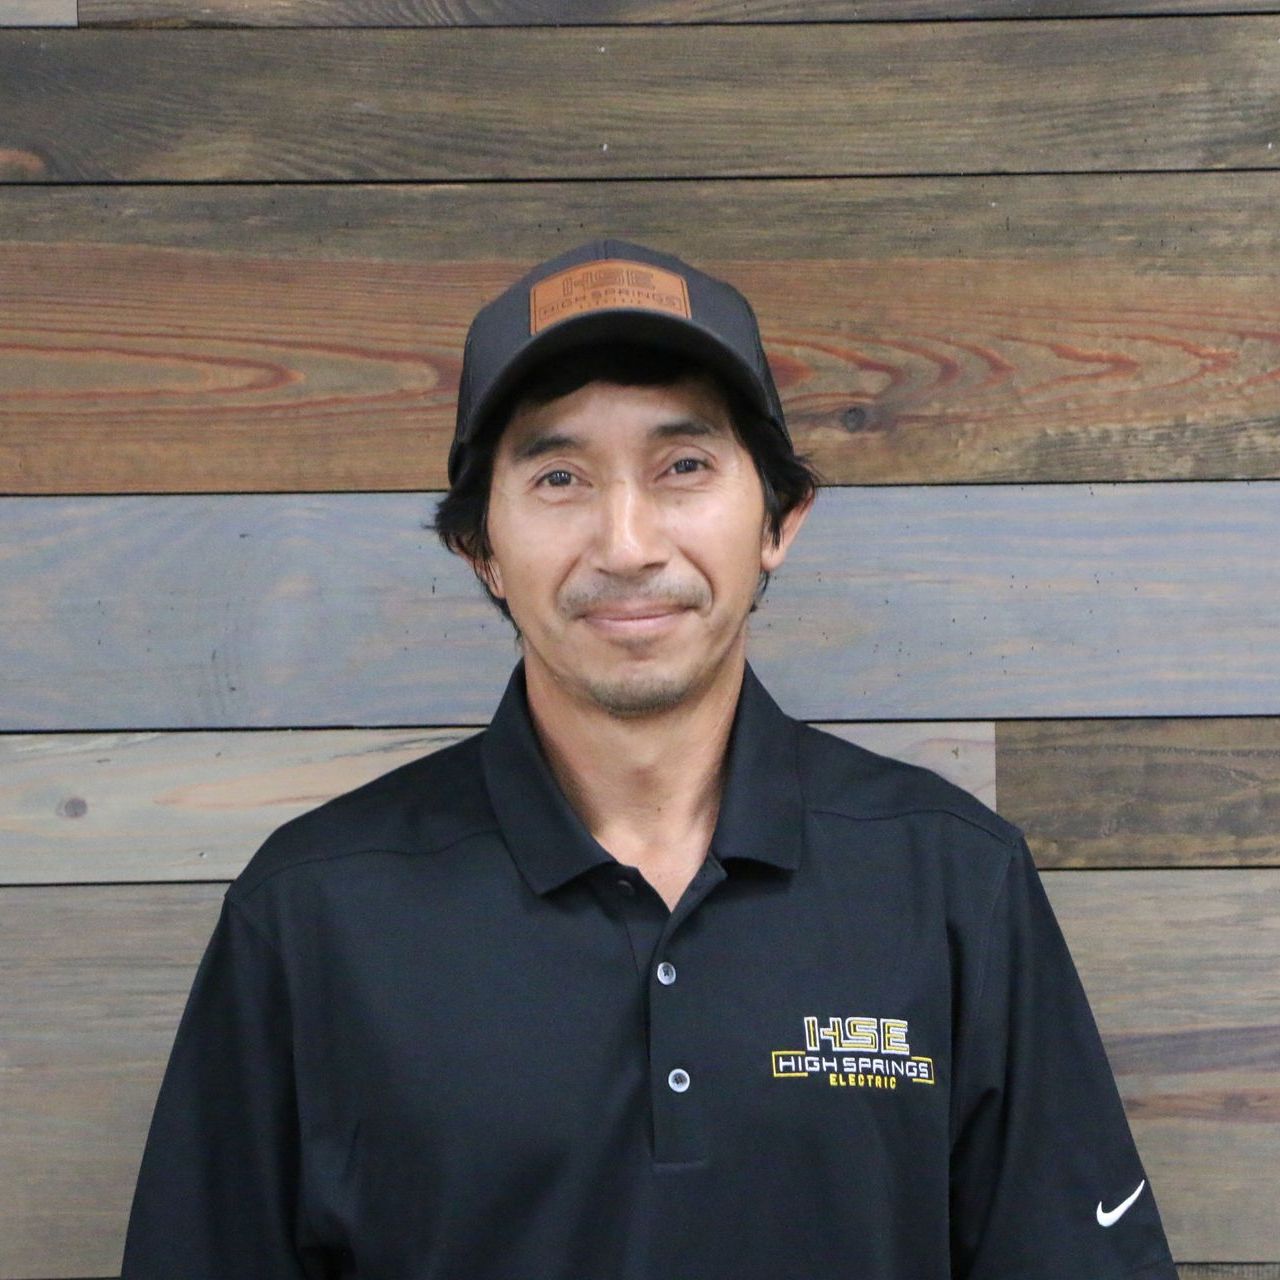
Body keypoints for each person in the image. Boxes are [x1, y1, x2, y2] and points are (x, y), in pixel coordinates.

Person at [120, 238, 1178, 1279]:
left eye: (682, 467)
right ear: (480, 548)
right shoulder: (311, 913)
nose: (626, 544)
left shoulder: (950, 881)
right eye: (559, 476)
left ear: (778, 519)